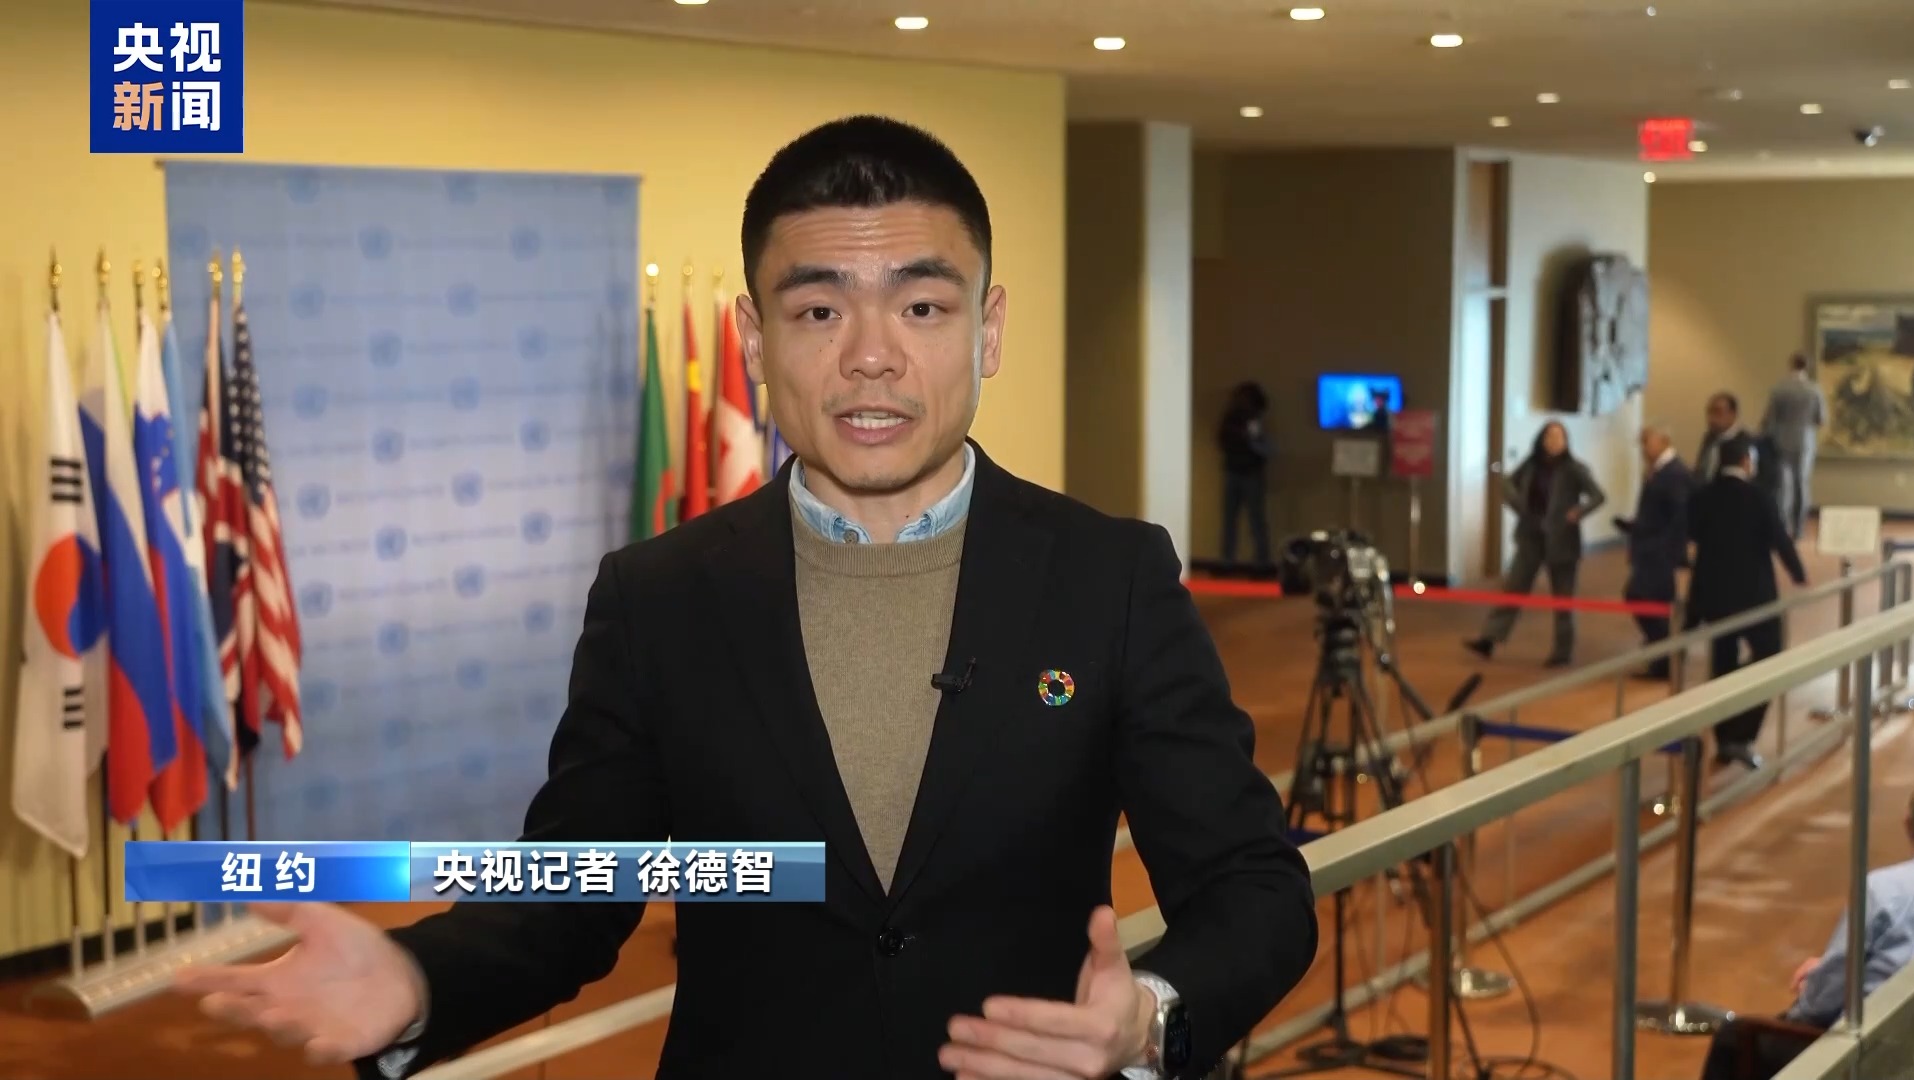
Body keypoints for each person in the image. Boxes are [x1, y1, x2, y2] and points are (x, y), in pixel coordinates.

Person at [172, 116, 1318, 1080]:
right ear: (755, 340)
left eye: (922, 308)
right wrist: (418, 979)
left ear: (990, 329)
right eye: (819, 311)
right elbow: (575, 893)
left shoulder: (1111, 578)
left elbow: (1253, 887)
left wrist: (1148, 1016)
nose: (871, 356)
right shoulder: (659, 598)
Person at [1698, 787, 1914, 1080]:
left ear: (1908, 825)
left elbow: (1819, 1006)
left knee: (1733, 1038)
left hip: (1879, 1056)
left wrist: (1811, 992)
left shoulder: (1885, 892)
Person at [1684, 432, 1806, 770]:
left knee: (1722, 664)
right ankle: (1742, 734)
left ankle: (1725, 738)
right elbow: (1779, 539)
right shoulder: (1759, 497)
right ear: (1746, 462)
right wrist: (1798, 573)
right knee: (1769, 658)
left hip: (1714, 595)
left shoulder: (1702, 497)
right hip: (1755, 597)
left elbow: (1691, 535)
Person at [1465, 420, 1606, 668]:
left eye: (1559, 437)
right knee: (1514, 588)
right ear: (1542, 440)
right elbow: (1508, 482)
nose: (1554, 441)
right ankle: (1489, 639)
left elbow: (1598, 496)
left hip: (1562, 541)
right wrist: (1518, 504)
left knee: (1563, 599)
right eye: (1550, 436)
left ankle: (1562, 651)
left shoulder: (1574, 469)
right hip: (1531, 536)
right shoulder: (1531, 465)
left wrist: (1578, 511)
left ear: (1566, 442)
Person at [1613, 423, 1691, 680]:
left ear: (1663, 441)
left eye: (1646, 442)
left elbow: (1679, 515)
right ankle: (1662, 658)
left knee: (1639, 595)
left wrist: (1667, 547)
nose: (1643, 449)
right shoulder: (1658, 472)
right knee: (1653, 601)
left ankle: (1665, 652)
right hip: (1652, 547)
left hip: (1660, 552)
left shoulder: (1674, 473)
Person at [1760, 352, 1828, 540]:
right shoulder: (1814, 390)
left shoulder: (1779, 389)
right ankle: (1799, 530)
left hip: (1781, 440)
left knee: (1783, 486)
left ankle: (1782, 527)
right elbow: (1821, 419)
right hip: (1805, 441)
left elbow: (1769, 418)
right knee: (1802, 485)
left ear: (1791, 365)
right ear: (1807, 366)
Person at [1218, 380, 1272, 567]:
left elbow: (1259, 446)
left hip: (1248, 473)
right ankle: (1229, 560)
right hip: (1236, 472)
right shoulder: (1232, 419)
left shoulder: (1253, 420)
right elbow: (1222, 440)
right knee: (1232, 520)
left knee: (1254, 520)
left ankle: (1260, 561)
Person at [1693, 391, 1746, 484]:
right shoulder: (1709, 438)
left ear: (1732, 414)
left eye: (1717, 412)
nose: (1711, 418)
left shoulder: (1744, 443)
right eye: (1709, 412)